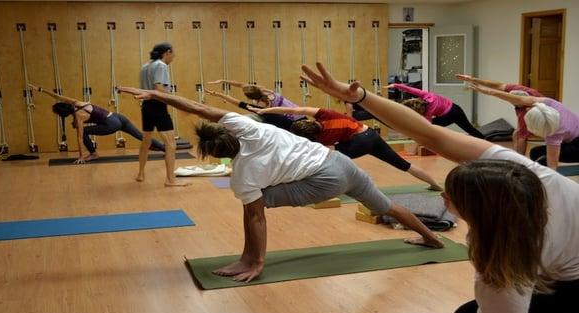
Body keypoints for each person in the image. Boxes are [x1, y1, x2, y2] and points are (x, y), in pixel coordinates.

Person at [301, 62, 579, 313]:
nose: (443, 196)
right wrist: (360, 97)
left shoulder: (505, 253)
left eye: (452, 195)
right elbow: (430, 134)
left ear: (481, 210)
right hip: (562, 254)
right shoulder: (525, 174)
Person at [117, 85, 444, 283]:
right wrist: (158, 95)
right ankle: (431, 239)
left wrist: (257, 261)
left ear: (221, 156)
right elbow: (199, 107)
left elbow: (256, 217)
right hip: (340, 163)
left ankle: (250, 260)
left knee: (255, 203)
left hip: (324, 181)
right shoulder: (246, 127)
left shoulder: (244, 173)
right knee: (387, 206)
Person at [251, 105, 442, 190]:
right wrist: (267, 110)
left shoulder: (321, 139)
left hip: (358, 142)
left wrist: (265, 112)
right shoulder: (325, 114)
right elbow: (294, 110)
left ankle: (348, 186)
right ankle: (434, 184)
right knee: (403, 165)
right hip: (371, 135)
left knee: (330, 160)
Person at [28, 84, 165, 164]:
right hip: (118, 117)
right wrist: (40, 89)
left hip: (111, 124)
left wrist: (82, 156)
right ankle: (166, 148)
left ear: (63, 113)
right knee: (141, 136)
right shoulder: (77, 103)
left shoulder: (79, 115)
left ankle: (93, 154)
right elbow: (57, 97)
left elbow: (80, 137)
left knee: (85, 131)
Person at [469, 83, 579, 169]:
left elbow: (552, 165)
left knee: (539, 156)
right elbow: (519, 99)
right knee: (538, 154)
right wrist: (488, 91)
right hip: (573, 136)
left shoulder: (554, 133)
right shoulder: (549, 103)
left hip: (577, 145)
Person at [139, 42, 189, 186]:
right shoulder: (161, 65)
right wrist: (178, 100)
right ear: (167, 52)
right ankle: (170, 180)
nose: (173, 58)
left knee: (146, 142)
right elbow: (158, 88)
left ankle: (141, 173)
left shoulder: (145, 66)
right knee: (171, 144)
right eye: (172, 54)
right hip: (158, 106)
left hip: (146, 106)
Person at [456, 74, 543, 154]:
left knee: (520, 134)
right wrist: (472, 79)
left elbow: (522, 138)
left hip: (543, 116)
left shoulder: (525, 111)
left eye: (514, 103)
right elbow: (497, 85)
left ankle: (520, 160)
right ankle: (517, 155)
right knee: (516, 133)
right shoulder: (517, 89)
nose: (511, 103)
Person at [386, 83, 485, 139]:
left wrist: (415, 135)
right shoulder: (426, 95)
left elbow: (427, 127)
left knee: (431, 126)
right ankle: (483, 139)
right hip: (456, 108)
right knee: (470, 129)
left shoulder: (429, 112)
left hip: (451, 115)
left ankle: (482, 140)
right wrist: (395, 85)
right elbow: (410, 89)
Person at [204, 88, 305, 130]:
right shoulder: (271, 93)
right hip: (302, 118)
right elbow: (242, 92)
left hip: (292, 125)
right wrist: (219, 94)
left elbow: (239, 103)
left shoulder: (260, 109)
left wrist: (219, 94)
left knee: (246, 118)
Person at [207, 79, 299, 108]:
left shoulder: (261, 104)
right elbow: (241, 84)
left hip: (291, 117)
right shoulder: (265, 90)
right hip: (296, 108)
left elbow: (239, 103)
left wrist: (219, 94)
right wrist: (223, 81)